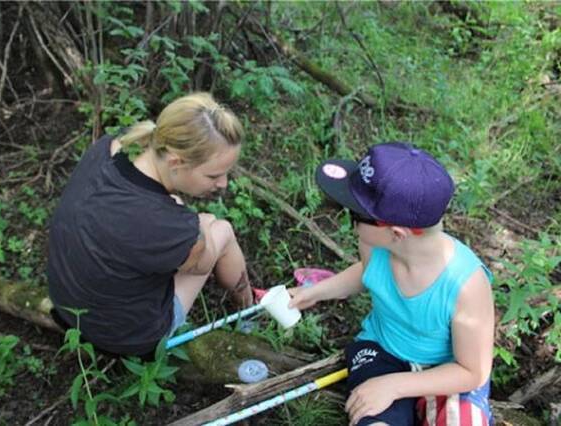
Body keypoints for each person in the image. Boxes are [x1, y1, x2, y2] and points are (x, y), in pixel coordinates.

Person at [289, 142, 495, 426]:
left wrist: (395, 386)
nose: (350, 222)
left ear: (396, 233)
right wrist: (316, 292)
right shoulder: (373, 246)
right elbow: (367, 272)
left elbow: (473, 371)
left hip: (447, 370)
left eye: (355, 216)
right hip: (382, 351)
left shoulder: (467, 286)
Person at [47, 92, 254, 357]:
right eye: (214, 175)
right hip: (127, 336)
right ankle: (249, 309)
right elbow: (202, 262)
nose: (224, 184)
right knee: (221, 231)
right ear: (176, 161)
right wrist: (203, 225)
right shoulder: (172, 227)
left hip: (67, 305)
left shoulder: (110, 146)